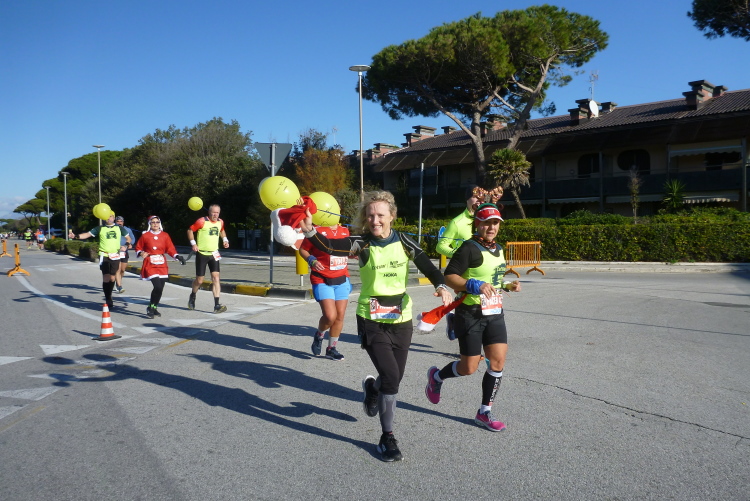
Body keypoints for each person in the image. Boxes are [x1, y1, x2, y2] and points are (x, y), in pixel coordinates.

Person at [300, 190, 452, 463]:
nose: (375, 220)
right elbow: (331, 247)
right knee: (391, 378)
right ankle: (387, 437)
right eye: (370, 215)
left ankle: (373, 389)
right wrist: (311, 231)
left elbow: (427, 266)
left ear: (392, 216)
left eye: (380, 215)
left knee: (394, 377)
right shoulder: (362, 243)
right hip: (371, 319)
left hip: (401, 319)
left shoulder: (404, 241)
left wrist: (441, 286)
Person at [424, 203, 522, 432]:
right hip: (470, 313)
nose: (491, 227)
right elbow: (450, 277)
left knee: (497, 362)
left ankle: (484, 412)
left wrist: (508, 285)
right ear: (477, 224)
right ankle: (437, 377)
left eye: (495, 223)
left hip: (494, 313)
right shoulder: (468, 247)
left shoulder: (498, 249)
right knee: (468, 367)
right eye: (486, 223)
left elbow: (494, 280)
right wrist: (473, 284)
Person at [437, 186, 503, 341]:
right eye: (475, 197)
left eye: (482, 198)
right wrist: (461, 256)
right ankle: (458, 322)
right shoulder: (457, 222)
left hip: (483, 268)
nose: (479, 201)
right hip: (464, 269)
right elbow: (440, 246)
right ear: (467, 200)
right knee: (467, 300)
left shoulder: (489, 218)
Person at [298, 223, 351, 361]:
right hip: (322, 279)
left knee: (339, 316)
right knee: (330, 316)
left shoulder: (345, 230)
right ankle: (319, 335)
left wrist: (353, 255)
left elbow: (348, 251)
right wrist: (312, 260)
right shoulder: (316, 231)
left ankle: (331, 349)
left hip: (342, 279)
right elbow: (303, 249)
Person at [70, 212, 131, 309]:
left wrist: (126, 245)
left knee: (112, 278)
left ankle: (109, 294)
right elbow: (87, 234)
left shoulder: (119, 228)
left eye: (110, 216)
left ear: (113, 218)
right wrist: (75, 236)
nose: (109, 218)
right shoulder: (100, 228)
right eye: (106, 217)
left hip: (115, 255)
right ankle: (108, 298)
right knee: (106, 277)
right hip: (104, 255)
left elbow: (128, 238)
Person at [135, 216, 186, 318]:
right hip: (150, 263)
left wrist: (177, 256)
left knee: (160, 288)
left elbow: (170, 248)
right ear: (150, 224)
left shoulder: (165, 235)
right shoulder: (145, 236)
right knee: (157, 286)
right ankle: (150, 308)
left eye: (157, 222)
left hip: (162, 264)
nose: (155, 224)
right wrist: (141, 253)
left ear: (160, 223)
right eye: (153, 222)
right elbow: (138, 247)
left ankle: (154, 307)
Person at [187, 204, 229, 313]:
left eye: (217, 213)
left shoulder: (220, 222)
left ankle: (217, 305)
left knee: (216, 278)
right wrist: (193, 244)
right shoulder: (202, 221)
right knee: (200, 280)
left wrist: (225, 240)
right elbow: (190, 230)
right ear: (209, 212)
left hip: (214, 253)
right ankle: (193, 295)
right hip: (202, 253)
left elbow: (222, 230)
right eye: (213, 212)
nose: (215, 215)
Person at [114, 215, 136, 293]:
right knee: (118, 269)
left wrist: (130, 244)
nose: (119, 223)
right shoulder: (113, 229)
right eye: (118, 221)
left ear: (123, 222)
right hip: (115, 251)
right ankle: (119, 285)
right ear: (115, 222)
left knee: (122, 270)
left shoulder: (127, 230)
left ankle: (119, 281)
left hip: (124, 252)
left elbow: (132, 238)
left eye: (121, 221)